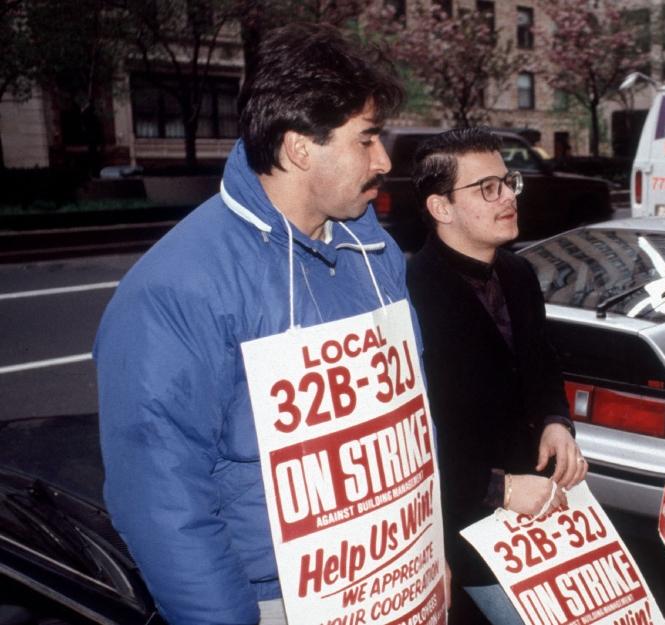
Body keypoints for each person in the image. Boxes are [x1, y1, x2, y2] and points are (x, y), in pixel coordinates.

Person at [94, 23, 408, 625]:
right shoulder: (175, 289)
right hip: (274, 597)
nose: (384, 159)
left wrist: (424, 547)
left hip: (389, 577)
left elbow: (405, 421)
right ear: (298, 148)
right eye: (366, 139)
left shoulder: (377, 256)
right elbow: (161, 497)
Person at [406, 128, 587, 625]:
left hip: (539, 514)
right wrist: (499, 488)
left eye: (508, 182)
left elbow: (542, 362)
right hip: (462, 528)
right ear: (441, 207)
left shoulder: (519, 273)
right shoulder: (408, 296)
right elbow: (410, 440)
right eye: (487, 188)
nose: (508, 196)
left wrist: (556, 420)